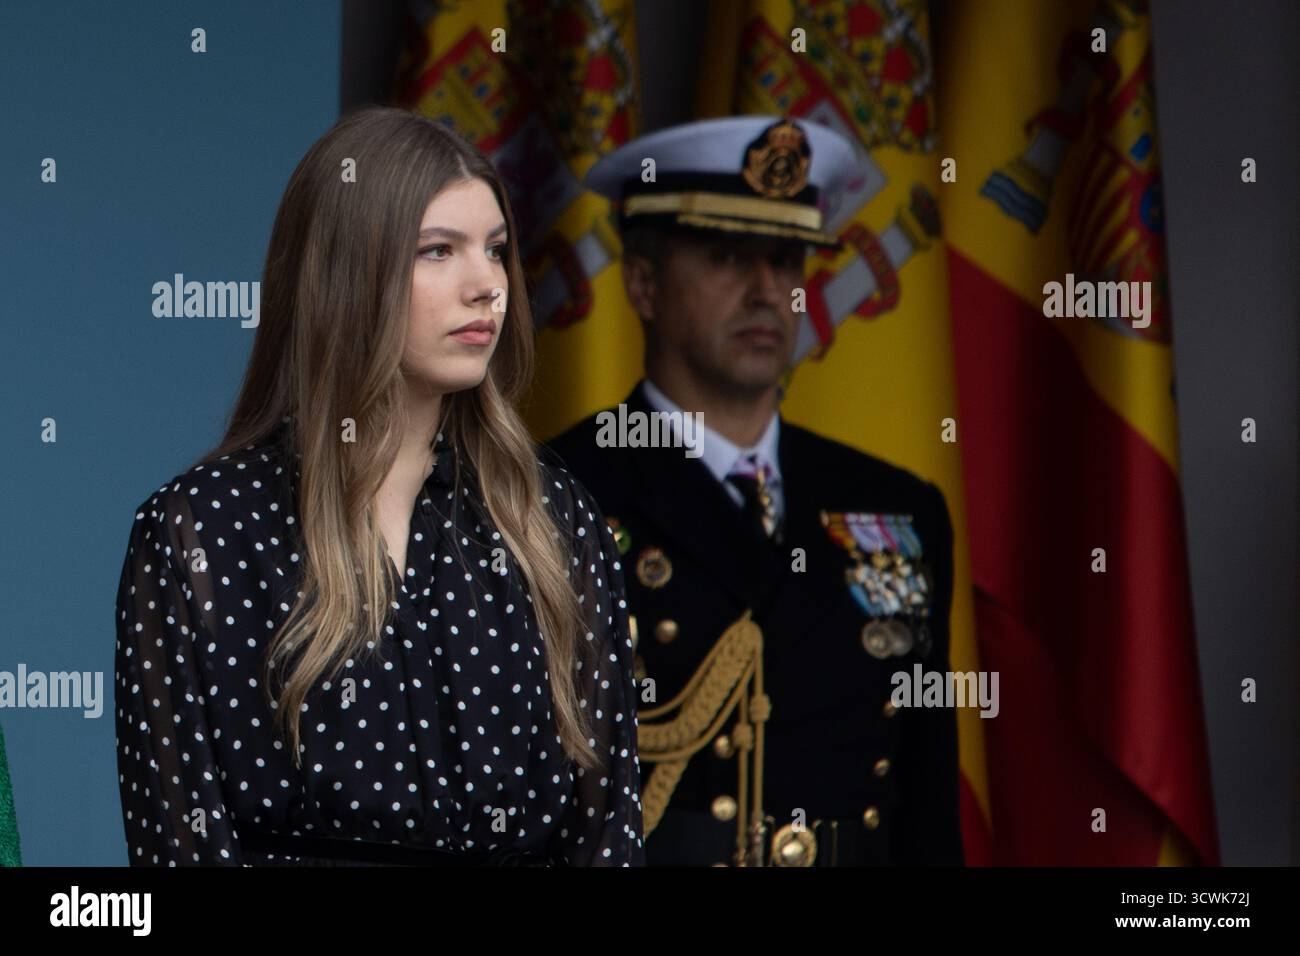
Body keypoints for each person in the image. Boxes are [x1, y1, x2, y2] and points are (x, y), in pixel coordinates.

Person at [113, 105, 645, 867]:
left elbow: (609, 839)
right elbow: (180, 844)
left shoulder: (555, 520)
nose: (486, 287)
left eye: (496, 251)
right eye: (439, 250)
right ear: (342, 271)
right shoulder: (203, 530)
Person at [544, 116, 963, 866]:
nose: (768, 291)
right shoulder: (553, 493)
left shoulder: (898, 508)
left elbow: (925, 805)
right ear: (642, 283)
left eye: (787, 260)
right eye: (728, 256)